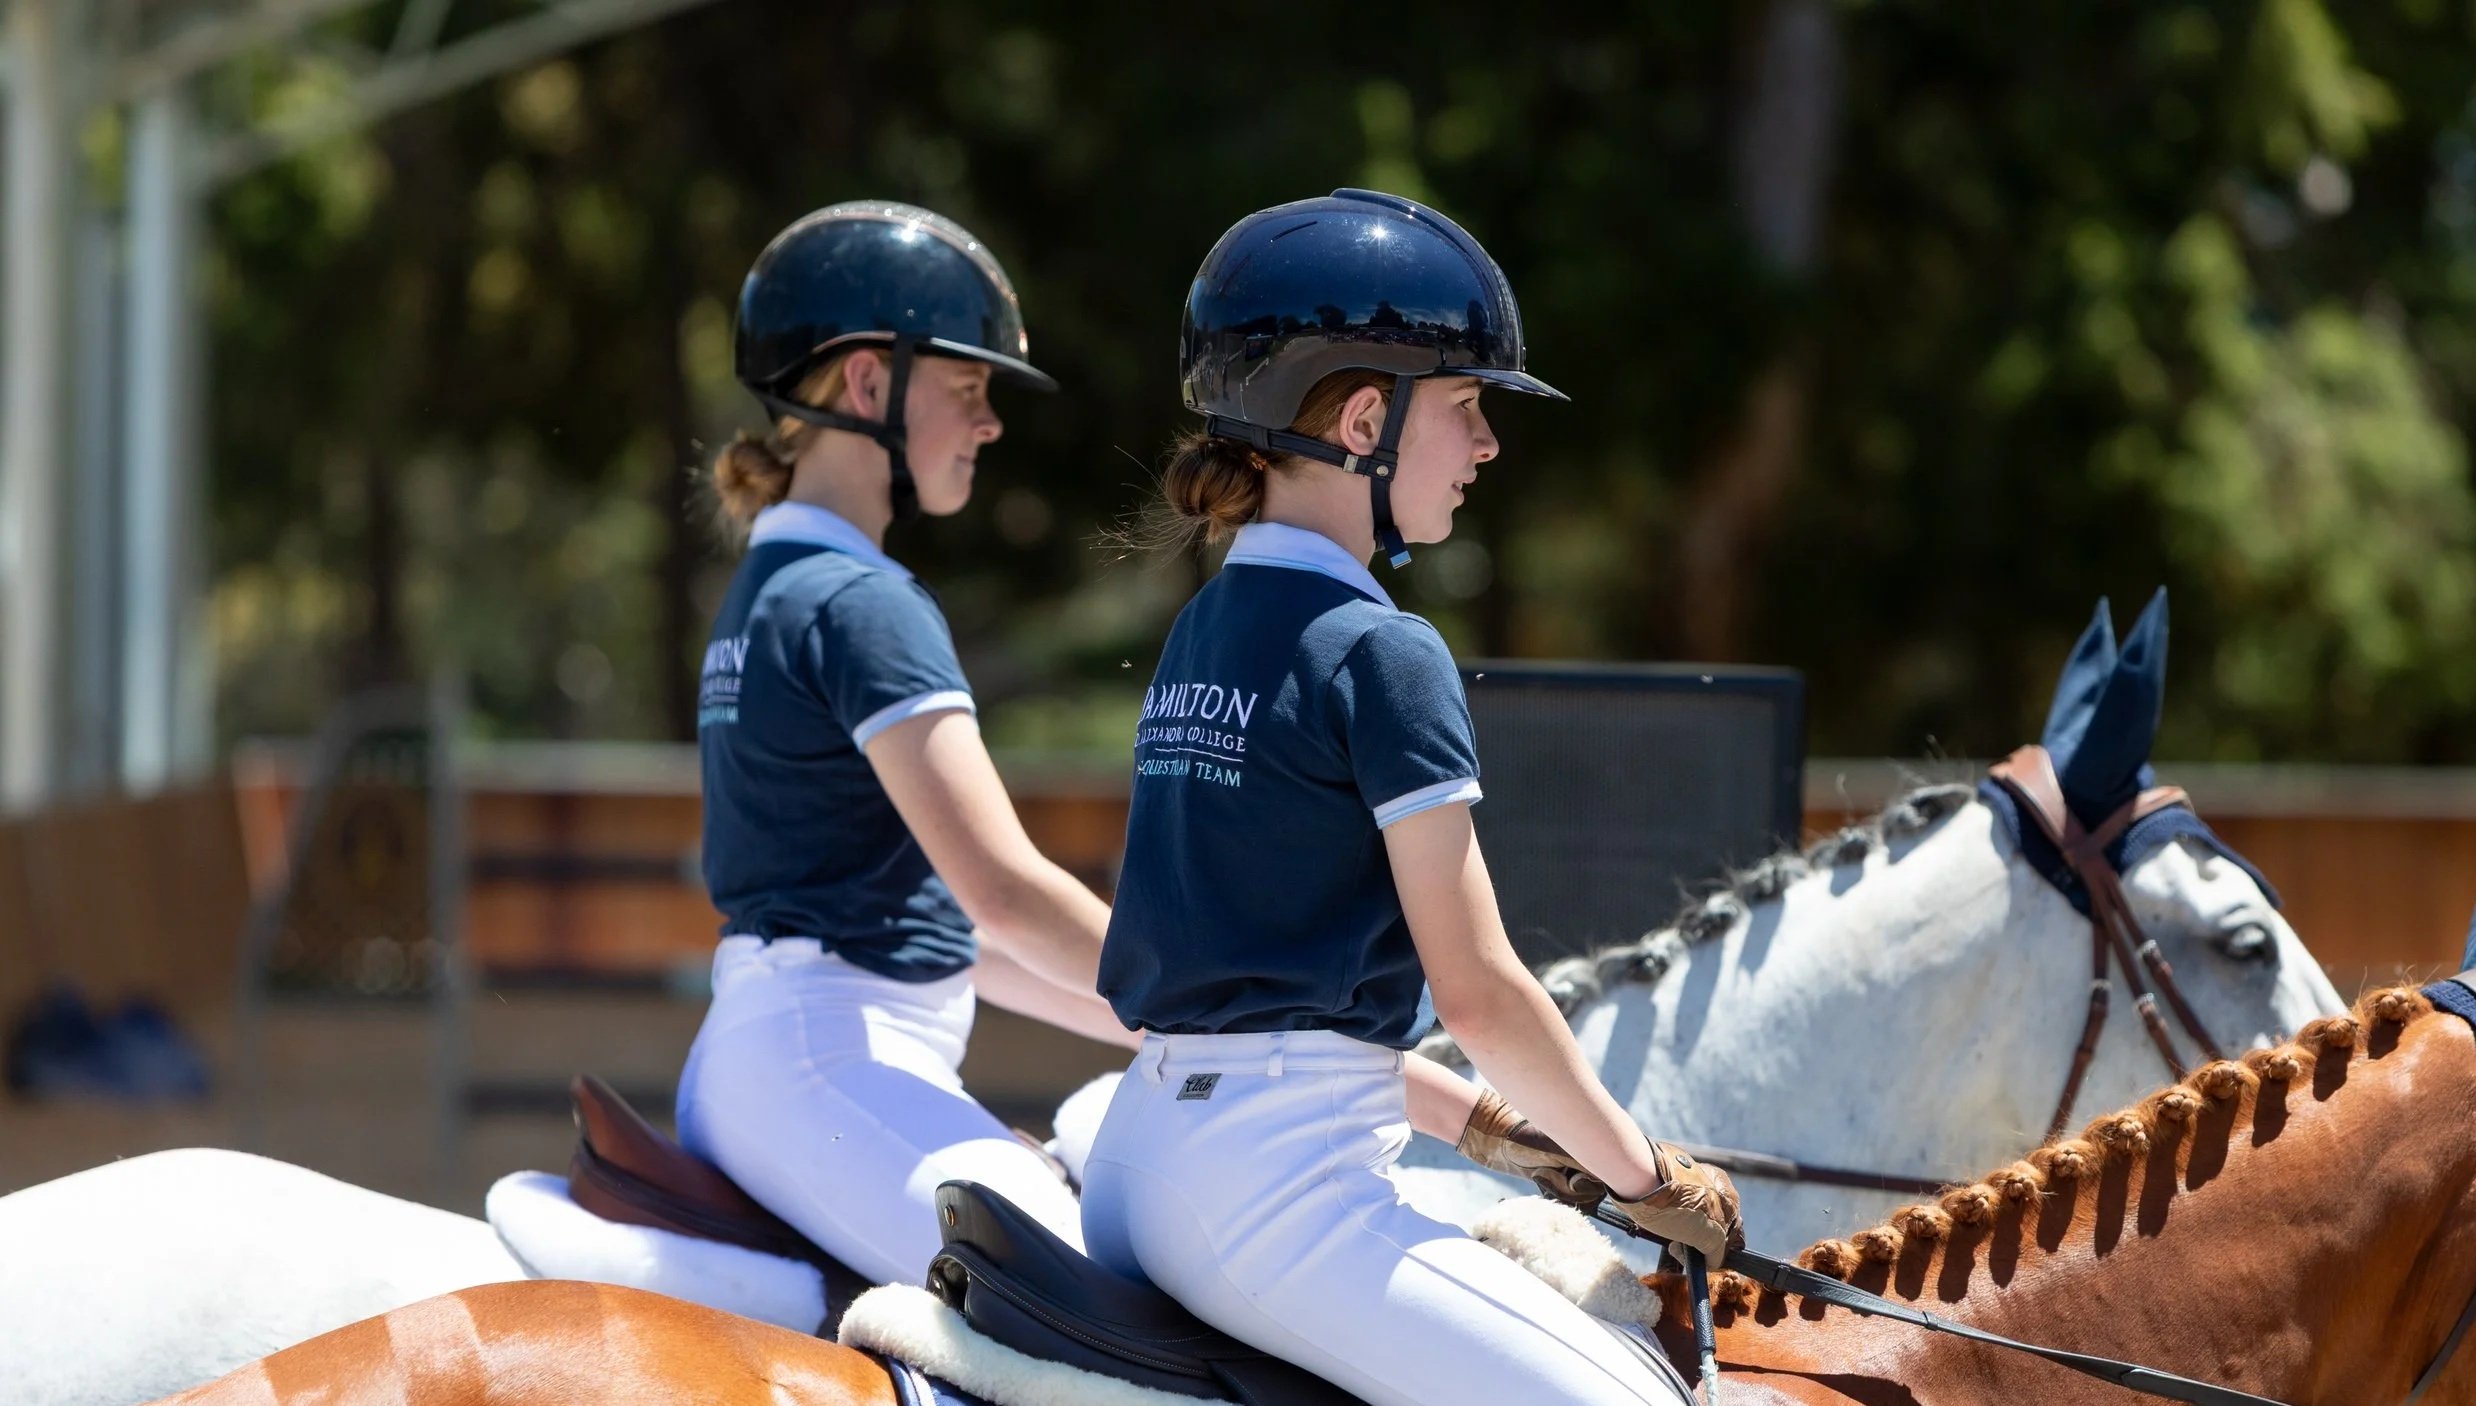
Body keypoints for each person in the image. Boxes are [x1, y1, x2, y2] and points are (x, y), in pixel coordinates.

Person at [1081, 189, 1741, 1406]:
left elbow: (1261, 1006)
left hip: (1142, 1157)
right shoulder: (1383, 649)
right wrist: (1645, 1174)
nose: (1487, 445)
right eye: (1467, 406)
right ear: (1365, 419)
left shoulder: (1203, 626)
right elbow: (1478, 991)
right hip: (1271, 1192)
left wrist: (1493, 1128)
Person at [674, 200, 1136, 1286]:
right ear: (869, 383)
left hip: (788, 1053)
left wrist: (1178, 1030)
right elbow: (1004, 894)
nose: (990, 423)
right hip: (825, 1058)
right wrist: (1230, 1002)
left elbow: (956, 936)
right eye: (968, 389)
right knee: (1092, 1302)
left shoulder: (773, 585)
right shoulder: (860, 600)